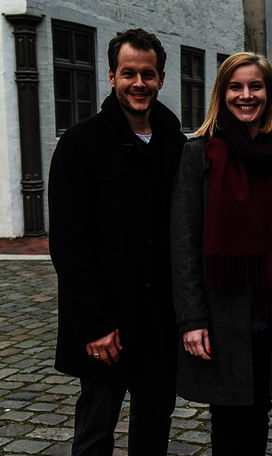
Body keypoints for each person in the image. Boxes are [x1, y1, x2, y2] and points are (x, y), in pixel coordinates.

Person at [48, 29, 185, 455]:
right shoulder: (80, 143)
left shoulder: (174, 142)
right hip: (106, 322)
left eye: (148, 74)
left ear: (161, 78)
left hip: (159, 321)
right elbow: (68, 244)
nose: (139, 84)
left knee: (153, 426)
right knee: (95, 429)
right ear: (111, 76)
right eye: (129, 74)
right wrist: (93, 324)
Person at [170, 52, 272, 455]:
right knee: (226, 420)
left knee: (260, 411)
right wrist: (191, 318)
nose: (246, 95)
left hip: (270, 312)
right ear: (222, 93)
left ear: (269, 92)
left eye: (255, 86)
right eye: (236, 87)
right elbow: (184, 241)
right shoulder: (199, 154)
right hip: (220, 312)